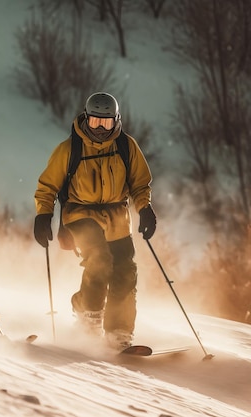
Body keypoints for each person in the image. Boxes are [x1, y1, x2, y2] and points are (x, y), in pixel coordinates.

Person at [33, 92, 156, 350]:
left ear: (116, 121)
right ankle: (89, 317)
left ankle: (119, 330)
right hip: (79, 214)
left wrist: (145, 209)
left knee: (125, 270)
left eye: (106, 123)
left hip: (117, 217)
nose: (100, 129)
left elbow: (140, 184)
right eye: (95, 122)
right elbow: (47, 187)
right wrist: (43, 215)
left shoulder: (126, 146)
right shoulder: (69, 149)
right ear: (86, 119)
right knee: (100, 260)